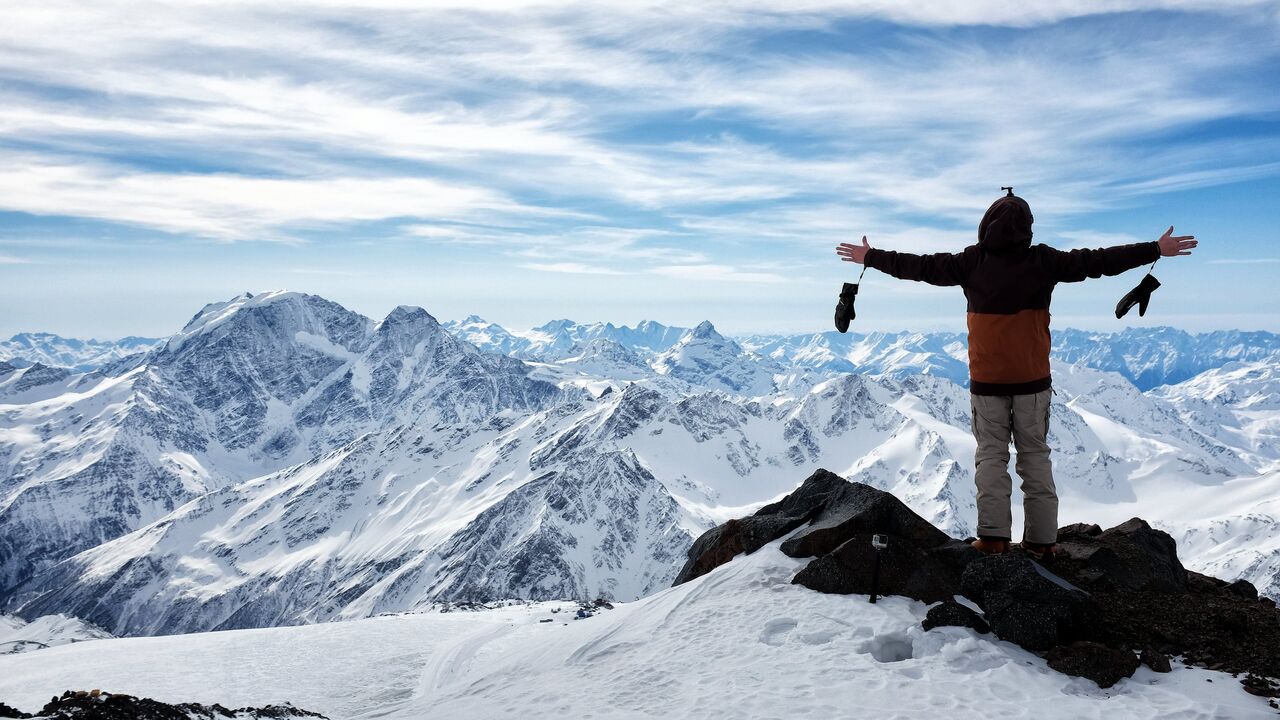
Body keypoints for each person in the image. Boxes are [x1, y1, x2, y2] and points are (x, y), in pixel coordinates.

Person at [834, 190, 1197, 559]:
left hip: (987, 382)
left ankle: (992, 539)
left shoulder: (971, 262)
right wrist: (1154, 249)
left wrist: (871, 257)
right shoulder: (1043, 261)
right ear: (1028, 227)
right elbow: (1098, 261)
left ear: (985, 226)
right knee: (1035, 456)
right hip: (1033, 382)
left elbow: (920, 267)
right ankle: (1041, 543)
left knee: (991, 457)